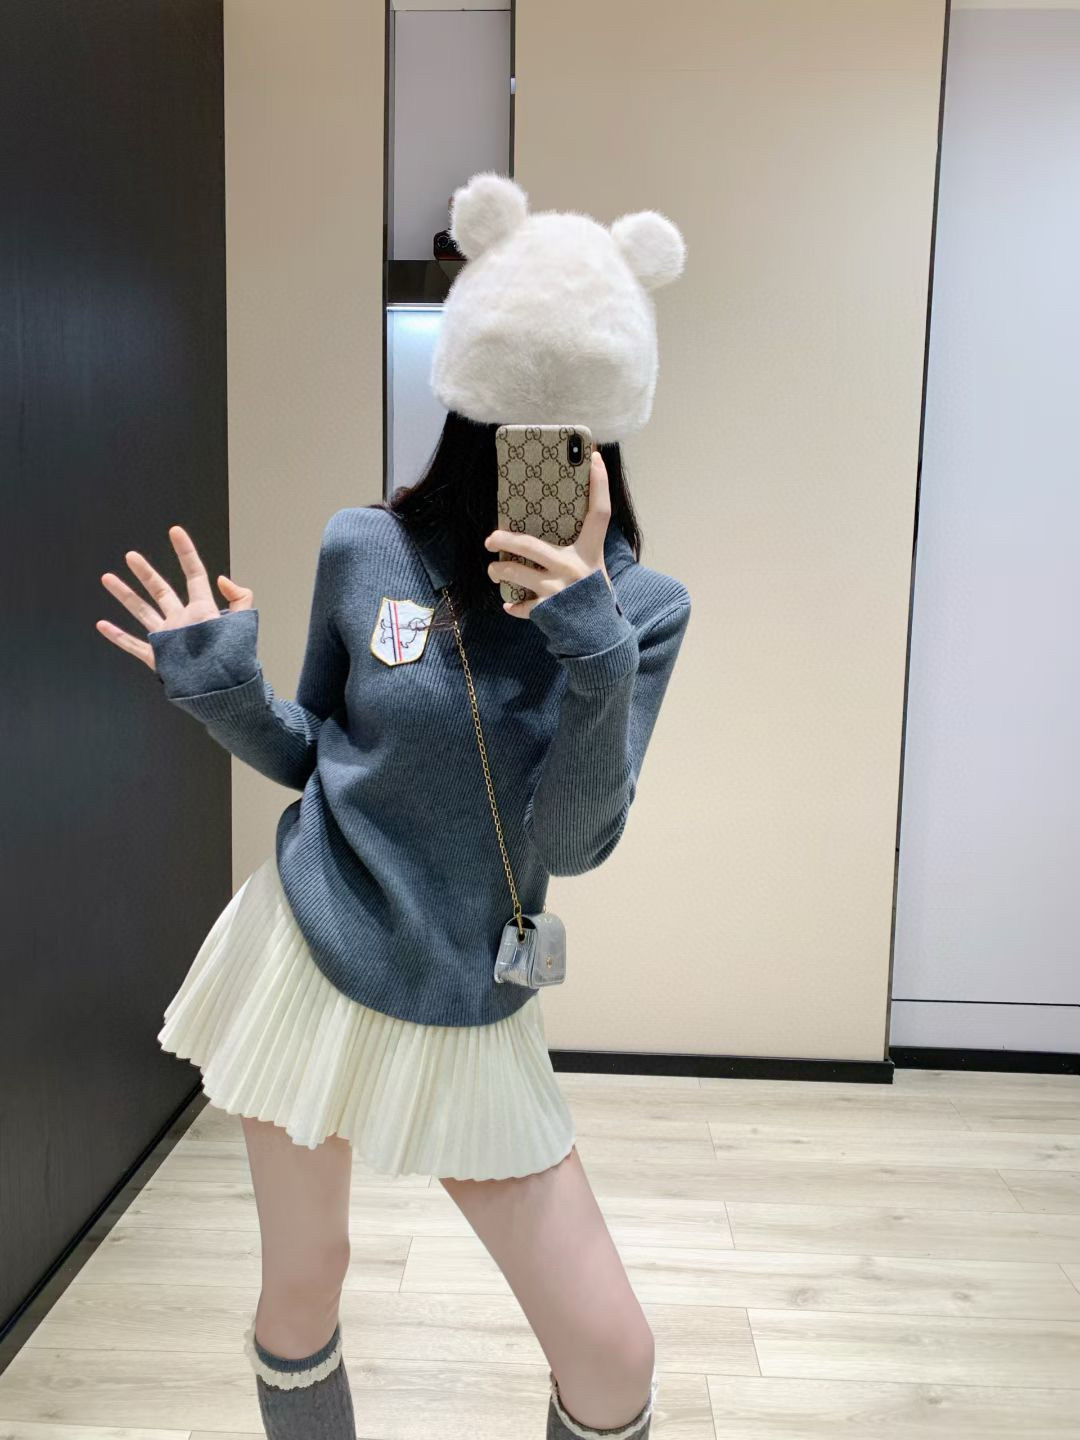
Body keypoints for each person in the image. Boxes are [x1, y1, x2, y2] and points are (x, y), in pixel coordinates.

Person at [95, 172, 691, 1440]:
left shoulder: (642, 612)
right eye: (519, 422)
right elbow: (317, 753)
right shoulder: (365, 548)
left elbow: (576, 841)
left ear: (606, 434)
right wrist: (221, 690)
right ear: (471, 403)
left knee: (613, 1355)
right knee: (304, 1285)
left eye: (571, 434)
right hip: (311, 949)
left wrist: (591, 642)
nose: (542, 458)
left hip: (472, 989)